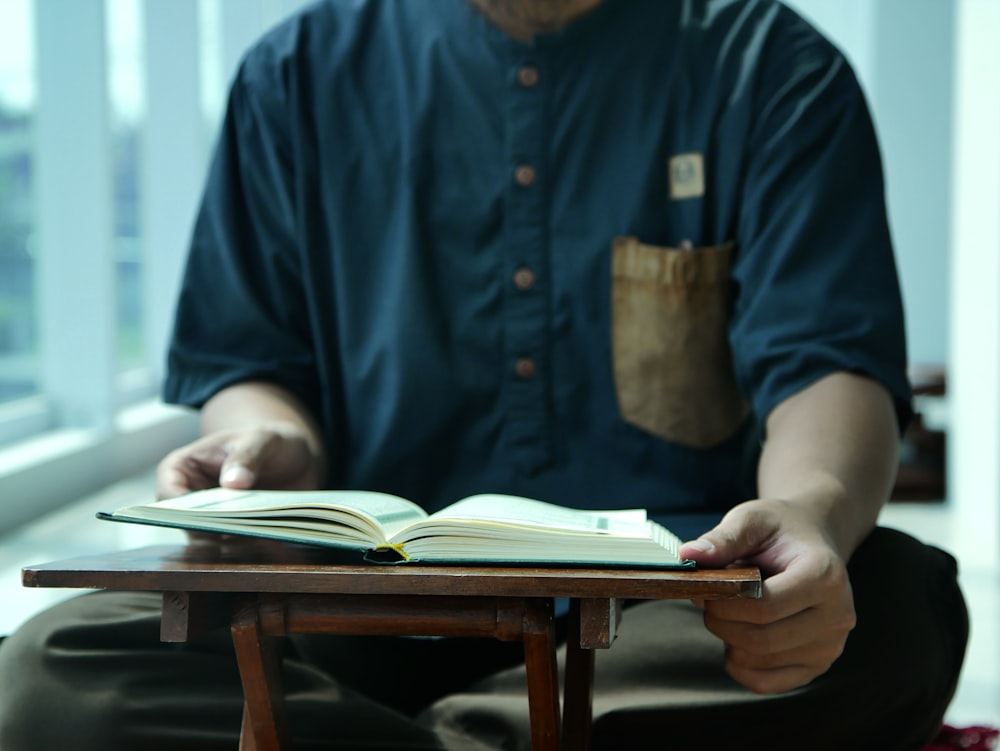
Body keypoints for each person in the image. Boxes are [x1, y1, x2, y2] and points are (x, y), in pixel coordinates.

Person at [0, 0, 968, 749]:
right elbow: (251, 363)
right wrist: (272, 443)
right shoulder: (295, 72)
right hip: (348, 606)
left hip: (667, 614)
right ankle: (520, 732)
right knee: (53, 669)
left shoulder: (770, 64)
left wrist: (811, 509)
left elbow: (828, 360)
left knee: (893, 609)